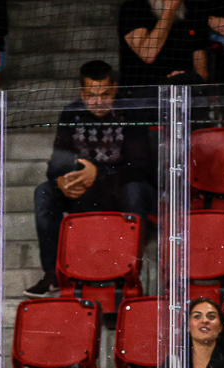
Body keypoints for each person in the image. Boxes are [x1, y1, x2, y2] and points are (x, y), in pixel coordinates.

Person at [27, 63, 156, 299]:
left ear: (114, 89)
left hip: (122, 190)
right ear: (81, 93)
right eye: (91, 95)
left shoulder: (132, 113)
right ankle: (53, 273)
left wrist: (99, 174)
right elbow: (57, 163)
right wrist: (62, 181)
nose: (98, 101)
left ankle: (131, 271)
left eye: (104, 94)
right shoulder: (70, 113)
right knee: (44, 192)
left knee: (135, 191)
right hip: (86, 192)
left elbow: (141, 169)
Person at [117, 0, 211, 88]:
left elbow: (202, 71)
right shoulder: (133, 8)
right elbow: (147, 54)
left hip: (182, 90)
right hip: (142, 92)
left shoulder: (192, 10)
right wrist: (169, 11)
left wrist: (185, 78)